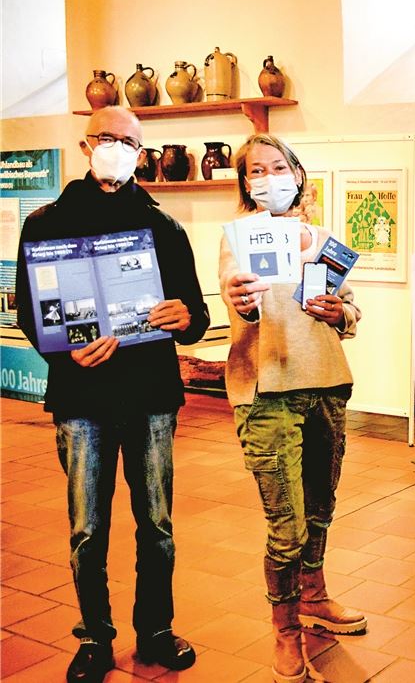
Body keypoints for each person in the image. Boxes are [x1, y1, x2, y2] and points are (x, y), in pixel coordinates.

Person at [15, 106, 207, 683]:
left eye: (130, 142)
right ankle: (95, 637)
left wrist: (183, 317)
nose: (119, 148)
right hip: (81, 398)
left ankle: (155, 630)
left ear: (142, 153)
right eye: (109, 138)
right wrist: (62, 350)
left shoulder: (164, 227)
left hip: (150, 397)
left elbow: (195, 315)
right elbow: (30, 310)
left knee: (157, 526)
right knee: (87, 530)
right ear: (85, 144)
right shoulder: (47, 223)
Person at [220, 134, 366, 683]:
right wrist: (244, 304)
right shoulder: (236, 239)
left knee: (321, 509)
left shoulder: (325, 238)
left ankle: (314, 596)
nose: (268, 176)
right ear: (246, 183)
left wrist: (339, 313)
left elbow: (351, 311)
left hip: (327, 383)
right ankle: (284, 631)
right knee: (287, 525)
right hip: (266, 392)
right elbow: (237, 299)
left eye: (278, 166)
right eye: (256, 170)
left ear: (297, 174)